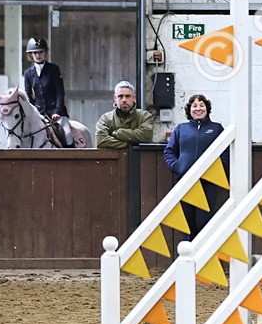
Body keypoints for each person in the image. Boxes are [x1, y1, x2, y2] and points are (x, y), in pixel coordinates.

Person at [163, 94, 225, 240]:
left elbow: (226, 152)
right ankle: (188, 260)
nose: (198, 108)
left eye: (202, 105)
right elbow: (169, 151)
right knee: (188, 225)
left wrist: (218, 169)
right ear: (189, 110)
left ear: (207, 108)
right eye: (195, 105)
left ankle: (206, 259)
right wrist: (177, 166)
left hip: (208, 183)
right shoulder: (180, 129)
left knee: (204, 223)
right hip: (185, 182)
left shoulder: (216, 129)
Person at [22, 37, 73, 146]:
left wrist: (58, 111)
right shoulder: (28, 73)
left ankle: (72, 158)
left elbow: (60, 92)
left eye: (40, 52)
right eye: (35, 53)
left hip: (56, 113)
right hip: (39, 114)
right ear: (31, 55)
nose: (38, 55)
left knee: (68, 135)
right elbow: (28, 96)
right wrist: (33, 112)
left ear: (45, 53)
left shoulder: (54, 69)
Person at [95, 81, 155, 148]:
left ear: (134, 98)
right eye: (120, 96)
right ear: (115, 98)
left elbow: (146, 136)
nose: (124, 100)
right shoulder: (106, 118)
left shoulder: (144, 116)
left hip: (139, 158)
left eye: (127, 96)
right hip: (114, 157)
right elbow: (101, 141)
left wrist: (118, 133)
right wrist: (129, 145)